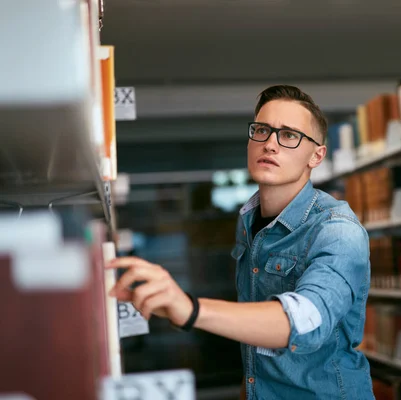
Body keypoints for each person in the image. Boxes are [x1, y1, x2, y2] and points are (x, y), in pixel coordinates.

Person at [107, 85, 375, 399]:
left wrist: (191, 309)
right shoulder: (250, 219)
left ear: (316, 155)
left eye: (289, 135)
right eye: (262, 130)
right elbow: (258, 345)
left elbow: (305, 320)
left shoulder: (338, 230)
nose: (271, 144)